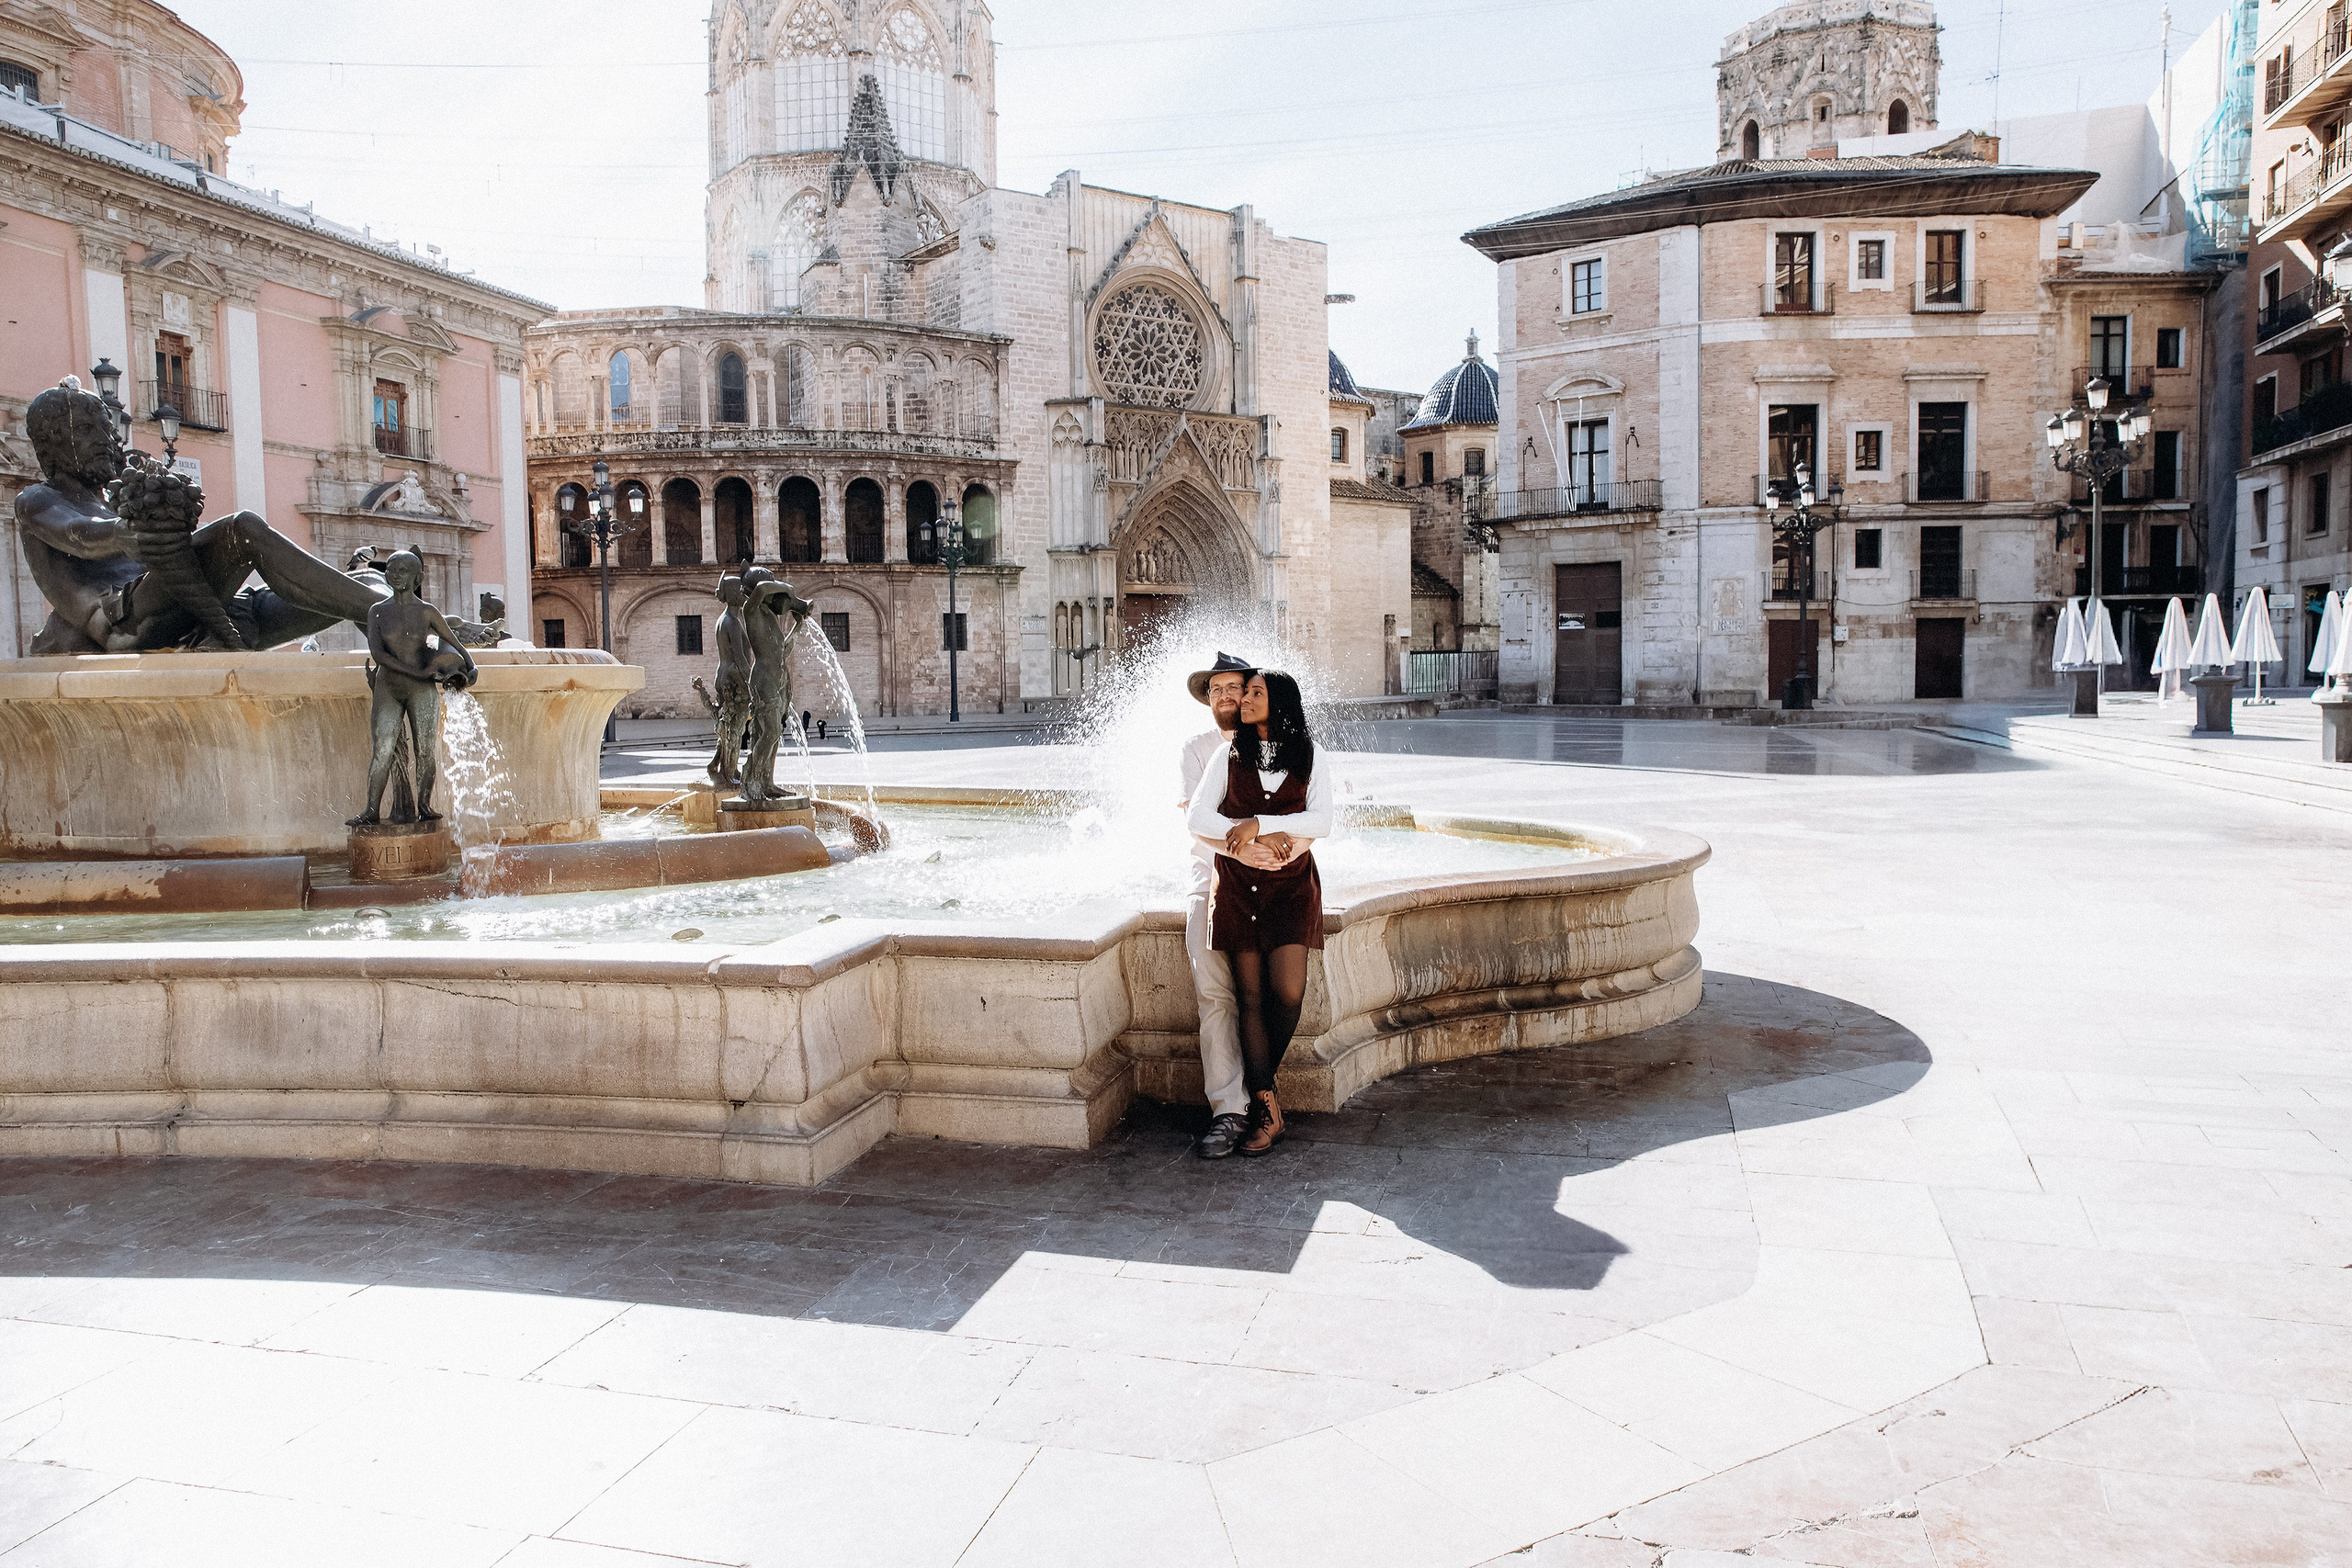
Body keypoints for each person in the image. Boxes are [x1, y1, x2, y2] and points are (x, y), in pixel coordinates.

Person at [1186, 668, 1328, 1157]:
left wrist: (1258, 823)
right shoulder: (1229, 755)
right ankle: (1266, 1105)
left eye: (1253, 692)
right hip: (1240, 888)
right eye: (1243, 693)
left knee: (1287, 992)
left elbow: (1323, 818)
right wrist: (1242, 841)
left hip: (1290, 888)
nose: (1242, 700)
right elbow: (1196, 816)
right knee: (1248, 997)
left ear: (1280, 701)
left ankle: (1259, 1079)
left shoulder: (1312, 754)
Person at [1178, 653, 1258, 1157]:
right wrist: (1245, 845)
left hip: (1271, 883)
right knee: (1214, 993)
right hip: (1209, 881)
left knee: (1270, 995)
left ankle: (1265, 1101)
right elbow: (1196, 820)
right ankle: (1228, 1109)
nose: (1225, 696)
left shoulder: (1282, 745)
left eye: (1234, 687)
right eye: (1216, 690)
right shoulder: (1196, 749)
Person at [349, 550, 478, 827]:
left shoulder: (427, 612)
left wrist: (471, 667)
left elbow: (456, 643)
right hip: (389, 687)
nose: (395, 573)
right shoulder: (378, 611)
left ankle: (424, 805)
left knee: (424, 751)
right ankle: (371, 809)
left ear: (417, 577)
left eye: (403, 569)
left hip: (421, 690)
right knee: (382, 749)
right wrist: (418, 672)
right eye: (391, 568)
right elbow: (379, 655)